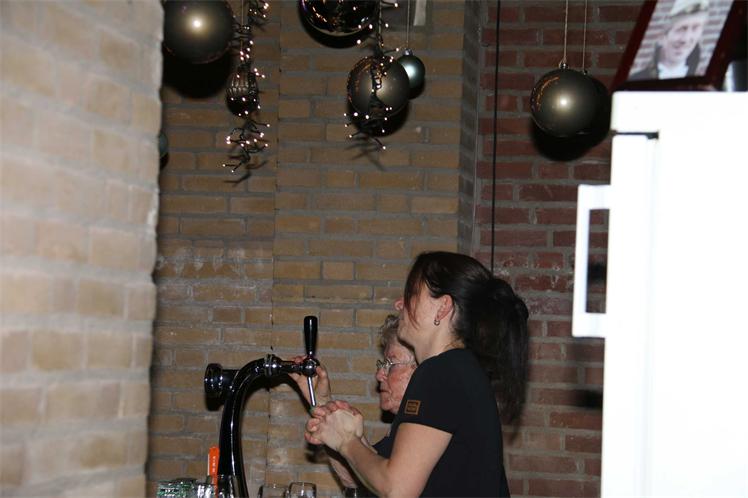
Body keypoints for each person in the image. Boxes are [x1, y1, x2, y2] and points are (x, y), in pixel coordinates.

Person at [305, 251, 529, 497]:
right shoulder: (459, 369)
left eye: (411, 294)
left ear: (442, 308)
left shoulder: (442, 371)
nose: (399, 304)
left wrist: (347, 441)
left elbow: (397, 488)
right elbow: (378, 477)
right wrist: (348, 435)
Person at [290, 315, 417, 493]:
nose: (379, 374)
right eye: (382, 364)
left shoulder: (431, 422)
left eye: (391, 363)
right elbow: (357, 480)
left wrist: (347, 440)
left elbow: (392, 489)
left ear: (422, 369)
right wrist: (322, 403)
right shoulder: (403, 425)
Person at [629, 0, 710, 81]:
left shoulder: (702, 82)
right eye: (681, 29)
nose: (686, 39)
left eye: (695, 28)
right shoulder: (636, 81)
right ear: (662, 36)